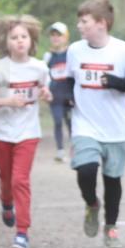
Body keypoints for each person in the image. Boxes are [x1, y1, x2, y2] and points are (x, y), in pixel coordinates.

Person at [65, 0, 125, 248]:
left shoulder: (122, 49)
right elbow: (68, 80)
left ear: (101, 23)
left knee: (112, 180)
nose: (79, 26)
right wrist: (66, 98)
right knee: (86, 170)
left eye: (84, 21)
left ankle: (111, 226)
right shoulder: (75, 50)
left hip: (115, 127)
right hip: (84, 124)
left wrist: (115, 82)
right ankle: (91, 203)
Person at [0, 15, 53, 248]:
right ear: (6, 41)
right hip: (2, 132)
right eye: (14, 37)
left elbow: (46, 89)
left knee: (20, 180)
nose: (20, 41)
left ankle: (22, 233)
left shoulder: (40, 67)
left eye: (24, 37)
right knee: (6, 177)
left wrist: (45, 93)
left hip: (28, 131)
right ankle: (6, 202)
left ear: (31, 40)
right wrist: (8, 101)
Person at [43, 22, 73, 162]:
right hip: (55, 97)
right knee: (57, 121)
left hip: (69, 96)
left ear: (65, 37)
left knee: (71, 122)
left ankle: (75, 148)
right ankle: (60, 150)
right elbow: (44, 76)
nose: (55, 38)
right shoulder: (48, 57)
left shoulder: (71, 54)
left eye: (58, 35)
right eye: (53, 35)